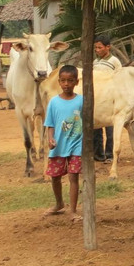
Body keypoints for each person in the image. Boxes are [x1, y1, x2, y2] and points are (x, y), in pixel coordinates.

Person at [42, 64, 83, 222]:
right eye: (63, 81)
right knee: (55, 176)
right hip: (58, 145)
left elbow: (86, 121)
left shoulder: (81, 101)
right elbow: (50, 124)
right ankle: (59, 203)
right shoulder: (54, 102)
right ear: (59, 81)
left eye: (70, 81)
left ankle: (72, 210)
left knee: (73, 177)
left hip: (76, 145)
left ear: (76, 82)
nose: (67, 84)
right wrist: (50, 139)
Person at [92, 34, 122, 162]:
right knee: (96, 129)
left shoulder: (114, 61)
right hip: (98, 99)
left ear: (108, 47)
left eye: (99, 47)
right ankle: (98, 155)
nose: (97, 50)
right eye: (95, 48)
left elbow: (120, 78)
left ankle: (110, 155)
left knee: (110, 129)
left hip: (110, 98)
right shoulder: (95, 62)